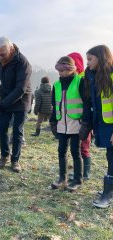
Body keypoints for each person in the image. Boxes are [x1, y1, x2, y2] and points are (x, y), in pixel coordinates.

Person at [0, 36, 32, 172]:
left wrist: (3, 104)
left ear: (11, 49)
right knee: (2, 127)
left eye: (2, 54)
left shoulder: (22, 63)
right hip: (5, 94)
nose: (0, 57)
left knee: (17, 131)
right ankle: (4, 155)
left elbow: (20, 89)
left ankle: (15, 160)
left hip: (21, 99)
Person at [50, 56, 89, 191]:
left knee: (75, 152)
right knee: (61, 151)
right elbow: (54, 106)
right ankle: (62, 178)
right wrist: (53, 122)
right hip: (61, 125)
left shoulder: (81, 82)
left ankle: (78, 180)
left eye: (63, 70)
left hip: (76, 125)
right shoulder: (56, 85)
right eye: (59, 70)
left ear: (71, 69)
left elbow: (87, 104)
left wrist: (86, 124)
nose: (60, 73)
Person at [81, 45, 113, 208]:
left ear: (101, 58)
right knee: (110, 156)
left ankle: (107, 194)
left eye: (90, 59)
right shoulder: (91, 76)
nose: (88, 63)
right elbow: (93, 103)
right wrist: (91, 124)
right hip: (103, 125)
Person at [67, 52, 92, 180]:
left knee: (84, 147)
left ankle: (85, 174)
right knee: (77, 147)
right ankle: (80, 172)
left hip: (84, 120)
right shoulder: (74, 79)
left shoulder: (83, 79)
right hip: (75, 120)